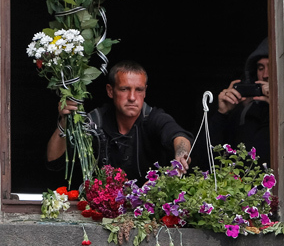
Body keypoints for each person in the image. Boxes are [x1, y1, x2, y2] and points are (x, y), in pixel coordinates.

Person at [46, 60, 193, 180]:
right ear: (110, 91)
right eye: (124, 89)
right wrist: (65, 122)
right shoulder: (95, 120)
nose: (132, 97)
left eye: (139, 90)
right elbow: (53, 162)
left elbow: (178, 135)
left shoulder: (153, 117)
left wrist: (181, 154)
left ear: (145, 92)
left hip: (148, 209)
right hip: (101, 211)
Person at [206, 38, 270, 166]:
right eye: (260, 68)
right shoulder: (244, 111)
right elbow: (208, 156)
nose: (265, 75)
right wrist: (222, 113)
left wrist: (277, 108)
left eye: (271, 67)